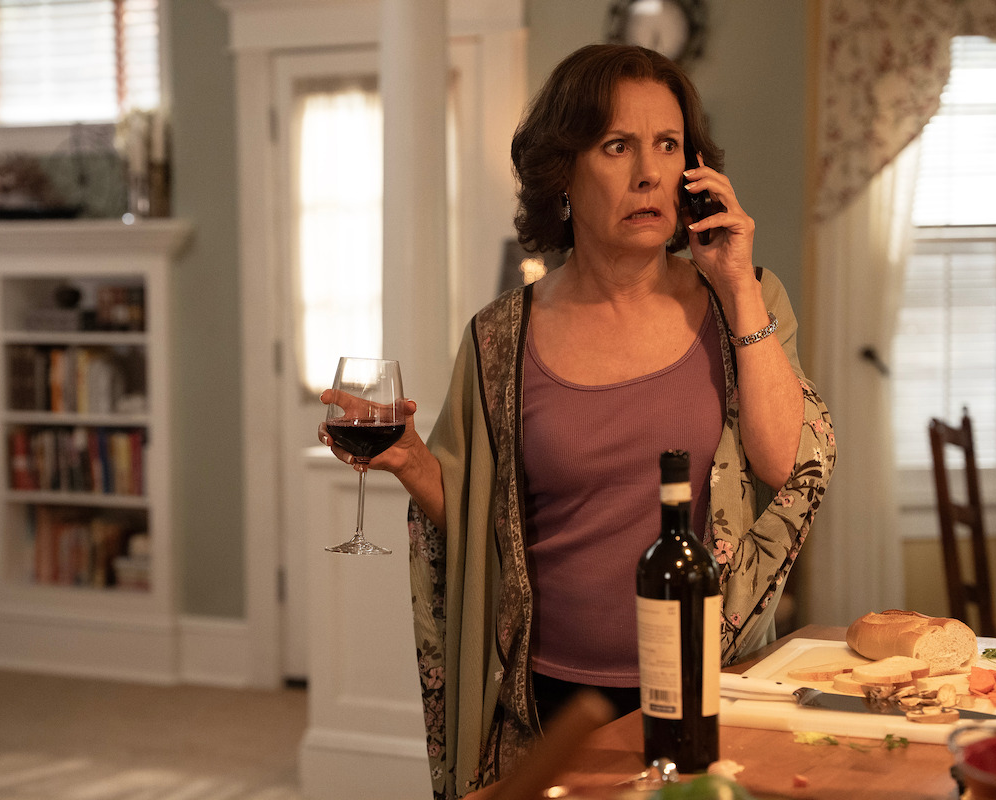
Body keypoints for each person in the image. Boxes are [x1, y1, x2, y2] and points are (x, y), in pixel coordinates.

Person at [319, 43, 837, 800]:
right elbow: (479, 530)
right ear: (563, 172)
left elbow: (784, 465)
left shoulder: (743, 302)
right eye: (617, 146)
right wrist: (406, 460)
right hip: (550, 707)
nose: (649, 173)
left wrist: (738, 287)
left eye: (668, 146)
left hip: (710, 690)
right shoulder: (498, 337)